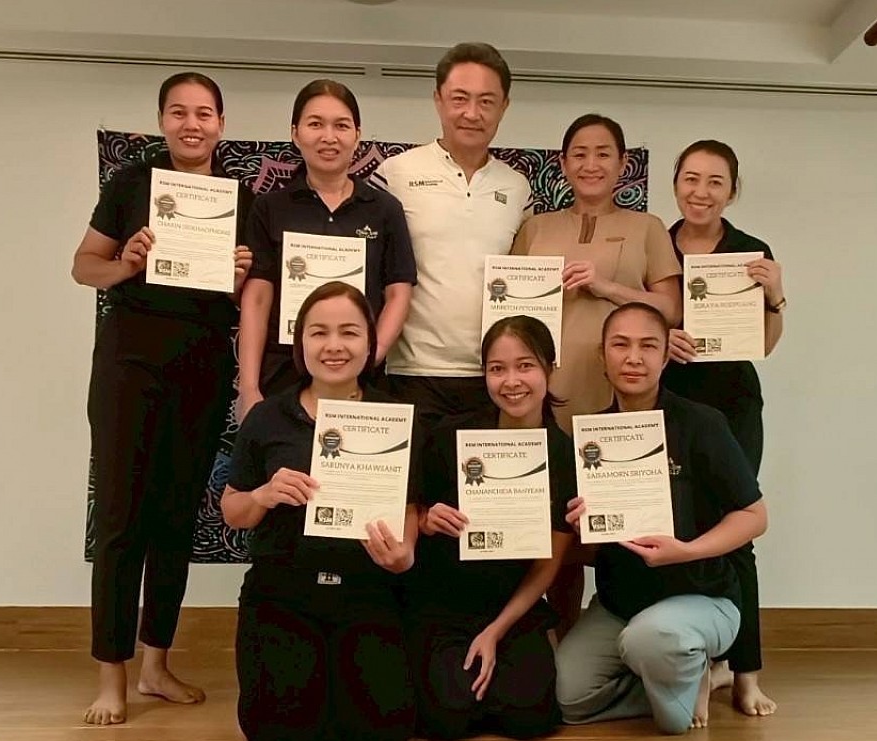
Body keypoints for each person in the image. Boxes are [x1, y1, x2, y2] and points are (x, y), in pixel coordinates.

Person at [71, 72, 254, 725]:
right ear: (162, 121)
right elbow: (82, 266)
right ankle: (111, 676)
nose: (191, 124)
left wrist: (240, 278)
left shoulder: (240, 198)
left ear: (221, 124)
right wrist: (126, 261)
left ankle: (156, 665)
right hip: (129, 365)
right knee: (122, 518)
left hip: (201, 368)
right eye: (179, 112)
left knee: (175, 521)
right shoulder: (131, 183)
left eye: (204, 113)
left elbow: (251, 300)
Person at [555, 302, 768, 734]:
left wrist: (685, 550)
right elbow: (590, 551)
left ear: (666, 356)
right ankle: (684, 674)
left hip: (701, 596)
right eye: (620, 345)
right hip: (621, 605)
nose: (633, 358)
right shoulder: (589, 436)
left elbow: (754, 516)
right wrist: (583, 528)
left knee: (654, 656)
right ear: (602, 356)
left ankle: (683, 666)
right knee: (564, 698)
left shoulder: (701, 423)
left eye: (648, 346)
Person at [512, 113, 682, 640]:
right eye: (579, 154)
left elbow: (671, 308)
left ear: (622, 164)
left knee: (621, 526)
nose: (591, 164)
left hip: (618, 398)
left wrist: (607, 287)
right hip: (545, 398)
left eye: (603, 153)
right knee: (556, 530)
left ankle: (630, 635)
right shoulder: (536, 228)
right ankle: (557, 640)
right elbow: (509, 307)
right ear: (563, 164)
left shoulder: (647, 228)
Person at [223, 282, 418, 741]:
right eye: (319, 333)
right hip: (283, 594)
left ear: (370, 342)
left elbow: (410, 506)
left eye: (349, 332)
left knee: (382, 728)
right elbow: (232, 510)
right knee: (278, 728)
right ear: (300, 342)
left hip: (367, 591)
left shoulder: (397, 416)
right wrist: (262, 495)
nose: (334, 346)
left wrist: (404, 554)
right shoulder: (267, 417)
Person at [662, 140, 784, 717]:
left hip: (732, 406)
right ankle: (701, 661)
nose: (701, 192)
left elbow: (765, 344)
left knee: (736, 529)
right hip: (668, 403)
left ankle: (746, 673)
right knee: (678, 526)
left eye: (715, 182)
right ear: (675, 184)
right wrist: (661, 337)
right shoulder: (656, 246)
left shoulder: (749, 253)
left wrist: (776, 297)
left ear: (732, 191)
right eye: (691, 179)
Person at [408, 315, 575, 739]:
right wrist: (426, 520)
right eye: (497, 369)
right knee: (447, 718)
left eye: (525, 366)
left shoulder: (563, 454)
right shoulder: (450, 436)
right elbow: (411, 513)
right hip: (445, 604)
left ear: (550, 369)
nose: (511, 381)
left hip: (513, 609)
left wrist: (496, 631)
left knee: (531, 719)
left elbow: (548, 564)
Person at [373, 42, 532, 429]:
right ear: (438, 100)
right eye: (460, 98)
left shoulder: (518, 188)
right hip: (409, 373)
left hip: (494, 378)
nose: (472, 113)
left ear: (504, 107)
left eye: (486, 101)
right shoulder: (394, 174)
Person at [237, 79, 416, 421]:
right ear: (295, 133)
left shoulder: (384, 210)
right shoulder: (269, 208)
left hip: (360, 380)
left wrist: (369, 355)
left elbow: (398, 293)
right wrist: (248, 387)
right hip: (282, 374)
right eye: (316, 124)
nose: (329, 136)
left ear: (357, 135)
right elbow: (257, 298)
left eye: (341, 125)